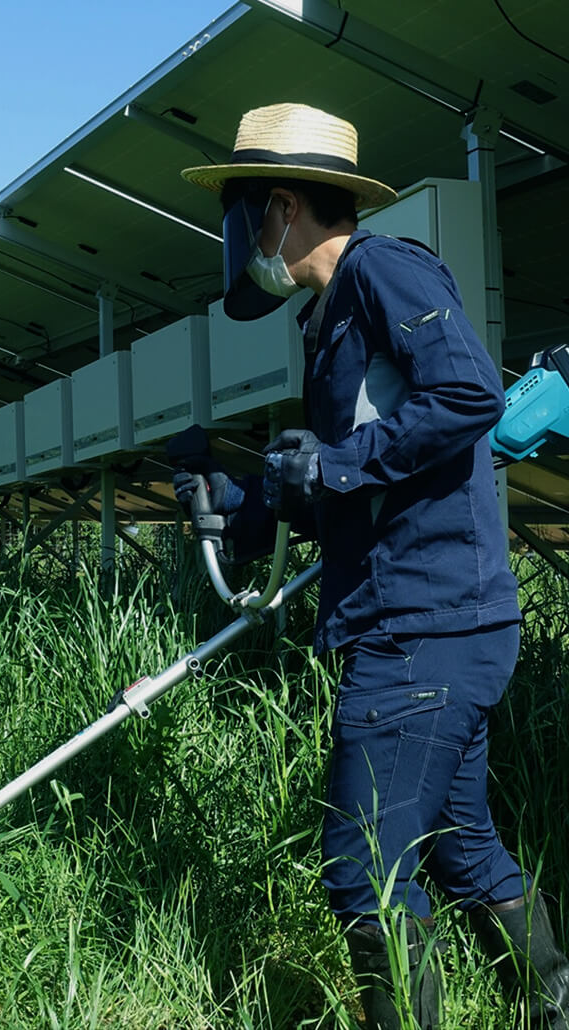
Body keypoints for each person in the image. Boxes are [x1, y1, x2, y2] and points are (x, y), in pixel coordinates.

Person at [172, 102, 569, 1028]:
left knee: (363, 868)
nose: (243, 240)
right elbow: (342, 484)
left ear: (280, 209)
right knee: (461, 846)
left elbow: (467, 390)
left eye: (244, 217)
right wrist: (235, 498)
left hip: (423, 628)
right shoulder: (326, 322)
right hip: (424, 624)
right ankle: (553, 1004)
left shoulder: (382, 271)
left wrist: (338, 463)